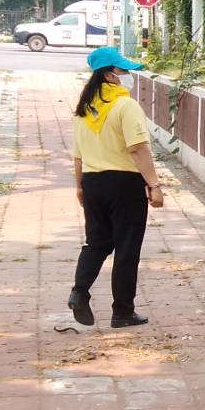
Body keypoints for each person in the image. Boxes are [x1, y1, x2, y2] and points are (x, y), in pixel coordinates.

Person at [69, 47, 161, 329]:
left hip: (93, 182)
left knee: (96, 242)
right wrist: (154, 184)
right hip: (124, 185)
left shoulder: (85, 109)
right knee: (127, 248)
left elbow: (78, 156)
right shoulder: (125, 106)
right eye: (123, 71)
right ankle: (122, 311)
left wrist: (80, 187)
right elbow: (137, 148)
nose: (128, 76)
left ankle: (79, 291)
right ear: (109, 75)